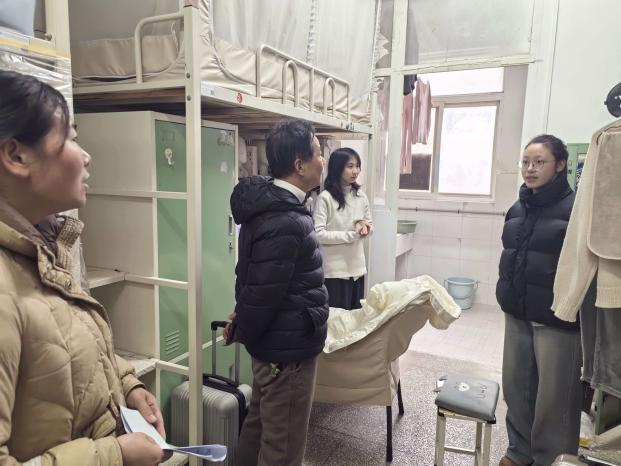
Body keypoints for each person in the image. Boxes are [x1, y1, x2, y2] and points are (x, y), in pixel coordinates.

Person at [0, 70, 168, 466]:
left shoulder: (40, 249)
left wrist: (127, 385)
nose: (86, 156)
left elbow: (65, 352)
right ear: (16, 156)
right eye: (72, 139)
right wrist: (114, 454)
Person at [227, 119, 328, 466]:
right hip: (287, 354)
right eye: (318, 152)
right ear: (300, 165)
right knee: (282, 450)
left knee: (259, 430)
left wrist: (242, 321)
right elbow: (263, 291)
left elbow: (254, 279)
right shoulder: (285, 218)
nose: (323, 160)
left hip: (276, 345)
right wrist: (244, 323)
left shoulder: (274, 206)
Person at [496, 135, 581, 466]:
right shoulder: (518, 208)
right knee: (516, 388)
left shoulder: (576, 210)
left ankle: (551, 459)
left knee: (554, 400)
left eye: (539, 162)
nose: (529, 169)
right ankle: (519, 452)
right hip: (517, 311)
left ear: (560, 165)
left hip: (557, 318)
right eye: (526, 162)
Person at [313, 147, 372, 309]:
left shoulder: (361, 196)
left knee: (355, 319)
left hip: (357, 269)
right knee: (335, 320)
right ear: (337, 168)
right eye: (350, 166)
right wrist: (352, 235)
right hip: (334, 272)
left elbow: (369, 224)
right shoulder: (325, 198)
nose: (355, 171)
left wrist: (365, 228)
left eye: (357, 166)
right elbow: (319, 234)